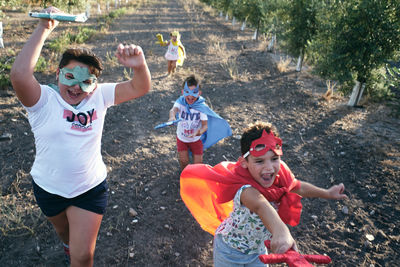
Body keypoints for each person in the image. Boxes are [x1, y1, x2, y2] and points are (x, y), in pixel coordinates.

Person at [10, 6, 151, 267]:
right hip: (47, 188)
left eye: (86, 81)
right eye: (70, 77)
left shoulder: (99, 96)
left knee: (84, 255)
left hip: (89, 188)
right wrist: (44, 27)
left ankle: (74, 253)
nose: (76, 87)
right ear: (57, 73)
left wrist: (139, 65)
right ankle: (67, 246)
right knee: (64, 234)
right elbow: (19, 75)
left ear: (95, 84)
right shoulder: (43, 100)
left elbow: (139, 87)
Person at [180, 121, 348, 267]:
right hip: (229, 250)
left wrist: (327, 193)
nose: (269, 168)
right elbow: (261, 206)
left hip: (258, 249)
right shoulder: (244, 189)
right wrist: (281, 232)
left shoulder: (280, 176)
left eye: (274, 159)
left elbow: (298, 187)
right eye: (259, 161)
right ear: (244, 163)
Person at [168, 75, 231, 170]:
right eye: (187, 92)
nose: (190, 95)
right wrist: (172, 117)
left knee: (198, 163)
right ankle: (185, 176)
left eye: (194, 92)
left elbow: (205, 126)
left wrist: (198, 132)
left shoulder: (201, 107)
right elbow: (173, 110)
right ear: (182, 92)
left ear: (199, 93)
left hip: (196, 139)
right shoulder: (180, 102)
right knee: (183, 160)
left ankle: (196, 178)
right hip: (181, 138)